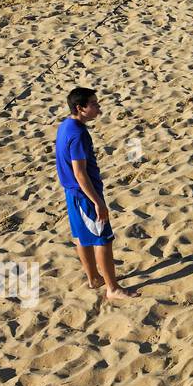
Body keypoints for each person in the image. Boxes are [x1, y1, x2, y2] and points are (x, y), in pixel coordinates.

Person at [55, 87, 139, 300]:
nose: (98, 108)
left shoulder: (65, 125)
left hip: (72, 193)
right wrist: (98, 202)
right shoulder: (79, 134)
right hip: (84, 195)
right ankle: (112, 288)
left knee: (82, 238)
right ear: (80, 108)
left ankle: (93, 279)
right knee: (103, 240)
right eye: (94, 104)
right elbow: (80, 173)